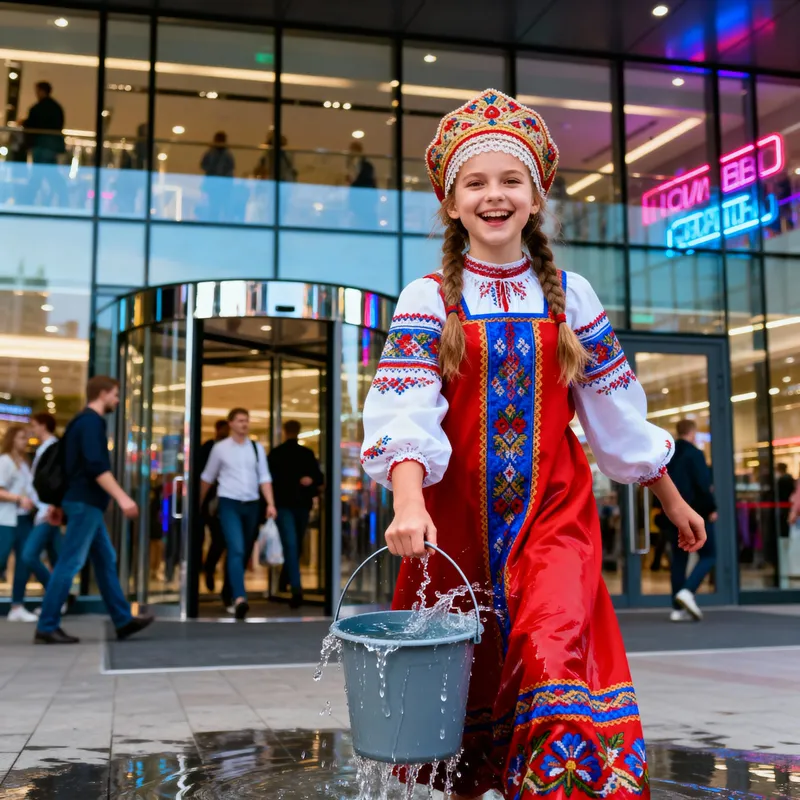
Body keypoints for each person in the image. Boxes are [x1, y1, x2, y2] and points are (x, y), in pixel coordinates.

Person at [360, 89, 706, 799]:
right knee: (467, 688)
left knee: (553, 651)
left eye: (510, 180)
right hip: (452, 525)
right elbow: (404, 412)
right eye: (476, 183)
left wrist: (669, 497)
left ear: (536, 196)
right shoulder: (428, 299)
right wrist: (405, 503)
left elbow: (616, 416)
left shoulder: (571, 297)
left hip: (556, 517)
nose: (495, 195)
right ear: (452, 203)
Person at [34, 376, 154, 644]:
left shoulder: (79, 422)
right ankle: (47, 624)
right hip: (85, 503)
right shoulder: (91, 423)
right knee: (70, 562)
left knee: (105, 558)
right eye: (115, 394)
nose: (117, 400)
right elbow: (96, 466)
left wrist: (57, 504)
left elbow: (68, 467)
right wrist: (123, 498)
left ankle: (123, 620)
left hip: (83, 502)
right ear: (102, 394)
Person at [199, 408, 276, 620]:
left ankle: (228, 591)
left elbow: (264, 477)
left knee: (244, 550)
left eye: (246, 420)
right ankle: (241, 598)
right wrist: (197, 503)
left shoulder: (256, 447)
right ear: (231, 423)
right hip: (228, 503)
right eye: (240, 421)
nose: (244, 424)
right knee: (237, 548)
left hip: (252, 505)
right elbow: (207, 477)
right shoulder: (220, 449)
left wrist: (270, 503)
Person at [655, 419, 718, 623]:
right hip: (694, 513)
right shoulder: (695, 454)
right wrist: (711, 508)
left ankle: (677, 608)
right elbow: (703, 485)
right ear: (692, 432)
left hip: (671, 515)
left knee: (678, 559)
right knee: (709, 554)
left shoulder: (668, 454)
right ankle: (688, 591)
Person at [268, 420, 323, 608]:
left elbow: (269, 481)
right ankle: (296, 589)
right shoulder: (306, 454)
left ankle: (286, 582)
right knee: (294, 545)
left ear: (284, 431)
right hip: (301, 506)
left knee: (293, 545)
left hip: (283, 505)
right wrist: (310, 481)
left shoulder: (276, 454)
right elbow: (319, 478)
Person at [22, 413, 68, 604]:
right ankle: (59, 600)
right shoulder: (43, 448)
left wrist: (53, 504)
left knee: (29, 555)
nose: (32, 429)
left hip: (47, 511)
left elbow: (52, 481)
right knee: (57, 558)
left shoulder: (53, 448)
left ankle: (59, 596)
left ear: (43, 426)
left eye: (34, 425)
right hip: (45, 509)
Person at [0, 425, 39, 622]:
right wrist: (18, 499)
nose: (25, 442)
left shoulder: (24, 464)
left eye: (26, 438)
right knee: (1, 560)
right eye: (21, 438)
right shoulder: (4, 462)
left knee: (24, 561)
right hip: (5, 519)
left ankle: (17, 606)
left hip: (23, 519)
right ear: (12, 439)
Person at [21, 81, 68, 206]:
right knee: (48, 173)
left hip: (41, 144)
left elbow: (32, 125)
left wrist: (24, 123)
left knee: (40, 173)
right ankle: (63, 197)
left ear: (41, 91)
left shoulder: (38, 108)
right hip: (52, 145)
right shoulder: (56, 108)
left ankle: (26, 201)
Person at [200, 420, 230, 592]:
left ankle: (212, 570)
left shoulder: (235, 449)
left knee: (224, 541)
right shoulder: (209, 448)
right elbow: (205, 476)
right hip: (212, 503)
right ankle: (209, 568)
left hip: (228, 500)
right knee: (218, 539)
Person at [776, 462, 796, 540]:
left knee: (784, 527)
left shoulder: (782, 480)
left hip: (784, 507)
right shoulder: (790, 479)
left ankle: (784, 544)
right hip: (789, 506)